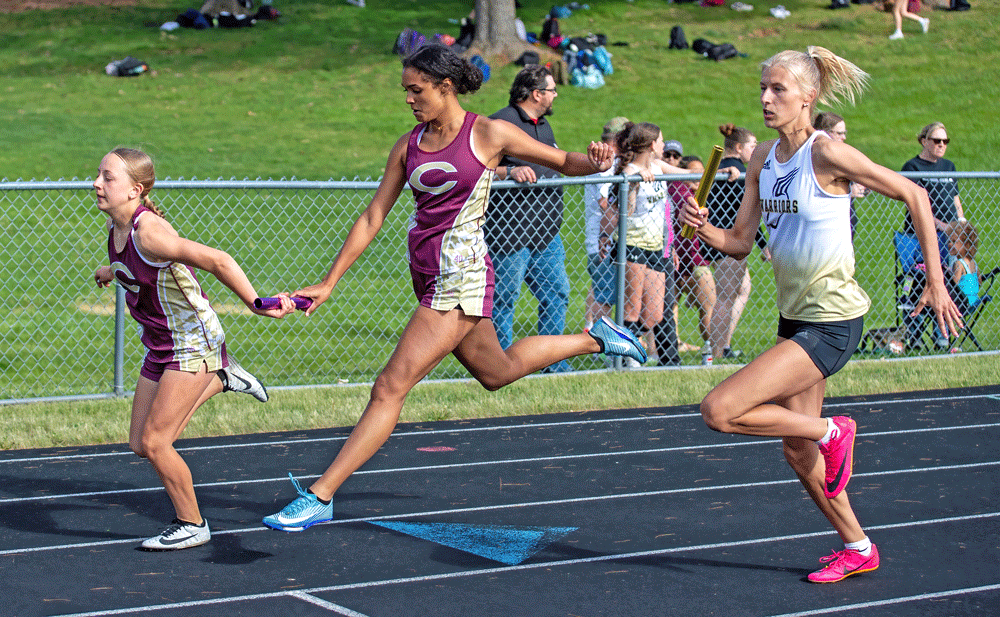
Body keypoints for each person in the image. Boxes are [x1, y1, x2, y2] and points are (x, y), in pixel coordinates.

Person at [262, 45, 646, 532]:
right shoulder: (408, 145)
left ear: (445, 88)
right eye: (405, 90)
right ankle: (597, 338)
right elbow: (373, 215)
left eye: (415, 90)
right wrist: (330, 281)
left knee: (389, 387)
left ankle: (321, 495)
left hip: (460, 275)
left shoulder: (489, 132)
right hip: (426, 275)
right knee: (497, 371)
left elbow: (564, 162)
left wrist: (597, 161)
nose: (408, 99)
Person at [679, 46, 962, 583]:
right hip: (795, 317)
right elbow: (739, 242)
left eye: (778, 89)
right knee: (794, 447)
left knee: (720, 409)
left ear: (808, 98)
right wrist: (702, 228)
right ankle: (857, 546)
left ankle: (834, 431)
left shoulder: (826, 153)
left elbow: (916, 195)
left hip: (833, 320)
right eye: (763, 87)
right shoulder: (763, 158)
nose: (765, 98)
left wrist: (937, 281)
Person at [92, 147, 296, 551]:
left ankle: (192, 523)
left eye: (107, 177)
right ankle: (222, 378)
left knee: (156, 443)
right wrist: (110, 270)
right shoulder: (118, 230)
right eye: (98, 174)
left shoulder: (149, 231)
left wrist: (257, 304)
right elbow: (140, 269)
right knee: (139, 444)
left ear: (135, 189)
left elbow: (218, 260)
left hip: (192, 342)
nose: (96, 183)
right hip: (160, 345)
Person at [484, 65, 572, 373]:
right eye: (551, 90)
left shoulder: (544, 125)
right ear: (536, 94)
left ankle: (550, 363)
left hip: (545, 233)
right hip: (510, 234)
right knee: (503, 300)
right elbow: (477, 168)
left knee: (557, 293)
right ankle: (500, 366)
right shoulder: (500, 123)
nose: (555, 95)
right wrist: (509, 172)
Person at [610, 122, 683, 367]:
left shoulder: (658, 166)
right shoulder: (628, 171)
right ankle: (623, 358)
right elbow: (626, 213)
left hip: (656, 246)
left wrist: (726, 173)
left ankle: (616, 343)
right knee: (631, 309)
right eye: (661, 141)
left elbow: (689, 176)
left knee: (653, 315)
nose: (663, 145)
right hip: (632, 245)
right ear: (652, 145)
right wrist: (633, 185)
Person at [901, 121, 965, 348]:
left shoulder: (949, 166)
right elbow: (915, 205)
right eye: (936, 140)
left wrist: (961, 223)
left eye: (944, 141)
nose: (941, 145)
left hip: (950, 237)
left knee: (951, 282)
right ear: (924, 140)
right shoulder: (913, 167)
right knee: (926, 281)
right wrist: (939, 225)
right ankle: (916, 335)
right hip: (922, 238)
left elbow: (956, 200)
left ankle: (945, 333)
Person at [703, 123, 758, 363]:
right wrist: (763, 243)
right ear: (738, 147)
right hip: (728, 241)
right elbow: (745, 213)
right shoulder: (736, 171)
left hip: (715, 238)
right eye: (752, 146)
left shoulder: (720, 168)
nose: (755, 150)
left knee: (743, 288)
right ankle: (714, 353)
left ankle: (722, 344)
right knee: (726, 296)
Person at [668, 155, 717, 366]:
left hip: (696, 260)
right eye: (693, 173)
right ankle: (660, 349)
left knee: (708, 305)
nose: (698, 178)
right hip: (684, 260)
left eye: (701, 173)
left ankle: (709, 349)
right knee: (669, 307)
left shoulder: (702, 194)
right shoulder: (679, 192)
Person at [583, 116, 629, 336]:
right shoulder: (605, 164)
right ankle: (603, 345)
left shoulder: (613, 162)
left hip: (611, 241)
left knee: (613, 295)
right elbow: (605, 204)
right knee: (605, 297)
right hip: (603, 243)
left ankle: (612, 345)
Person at [812, 111, 866, 237]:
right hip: (824, 226)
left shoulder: (842, 155)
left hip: (845, 225)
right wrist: (845, 190)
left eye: (844, 133)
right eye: (839, 133)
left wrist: (862, 188)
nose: (844, 137)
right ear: (824, 133)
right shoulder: (814, 156)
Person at [944, 220, 981, 350]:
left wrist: (948, 274)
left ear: (966, 244)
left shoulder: (958, 264)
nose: (950, 244)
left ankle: (944, 339)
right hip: (974, 301)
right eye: (949, 241)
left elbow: (954, 283)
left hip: (961, 303)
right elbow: (979, 281)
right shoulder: (973, 263)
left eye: (954, 242)